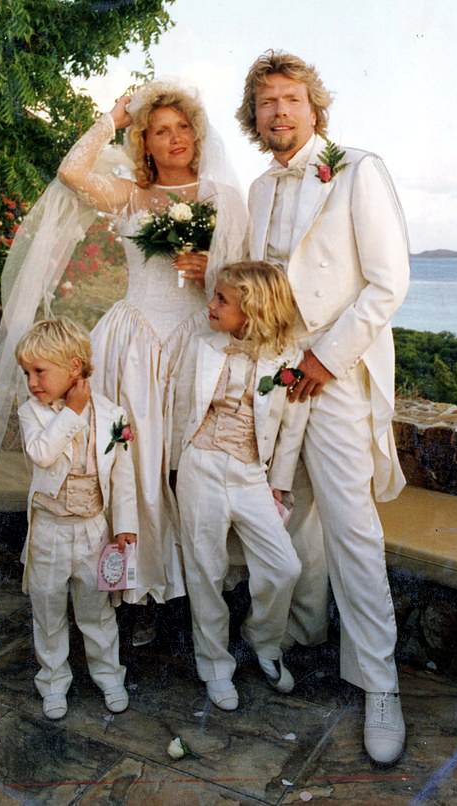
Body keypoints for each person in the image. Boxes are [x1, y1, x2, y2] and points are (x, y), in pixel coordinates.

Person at [0, 80, 246, 636]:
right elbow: (71, 174)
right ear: (144, 142)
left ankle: (191, 593)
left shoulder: (224, 198)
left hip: (196, 344)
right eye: (159, 131)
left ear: (197, 133)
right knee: (130, 464)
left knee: (189, 467)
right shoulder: (130, 195)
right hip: (132, 343)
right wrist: (112, 118)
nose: (174, 138)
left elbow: (245, 280)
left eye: (182, 127)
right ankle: (134, 590)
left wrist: (213, 269)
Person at [237, 50, 410, 765]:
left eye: (291, 98)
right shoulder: (257, 189)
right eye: (267, 101)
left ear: (315, 108)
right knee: (287, 511)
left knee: (350, 524)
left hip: (334, 371)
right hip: (275, 370)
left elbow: (388, 283)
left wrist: (325, 358)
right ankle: (296, 637)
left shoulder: (358, 170)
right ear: (254, 116)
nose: (279, 111)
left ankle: (380, 684)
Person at [176, 261, 307, 711]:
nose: (210, 305)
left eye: (222, 299)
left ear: (251, 311)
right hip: (201, 465)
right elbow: (179, 407)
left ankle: (263, 641)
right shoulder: (203, 347)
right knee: (206, 570)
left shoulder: (288, 361)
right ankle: (214, 664)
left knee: (284, 567)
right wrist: (174, 466)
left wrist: (278, 485)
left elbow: (291, 429)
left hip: (251, 474)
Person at [14, 317, 138, 720]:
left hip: (93, 530)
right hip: (49, 530)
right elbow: (43, 454)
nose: (32, 382)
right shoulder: (31, 413)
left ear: (73, 366)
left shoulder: (113, 414)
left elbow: (122, 476)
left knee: (96, 611)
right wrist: (72, 412)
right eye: (27, 373)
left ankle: (109, 676)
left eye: (39, 371)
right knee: (48, 611)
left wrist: (125, 526)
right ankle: (53, 681)